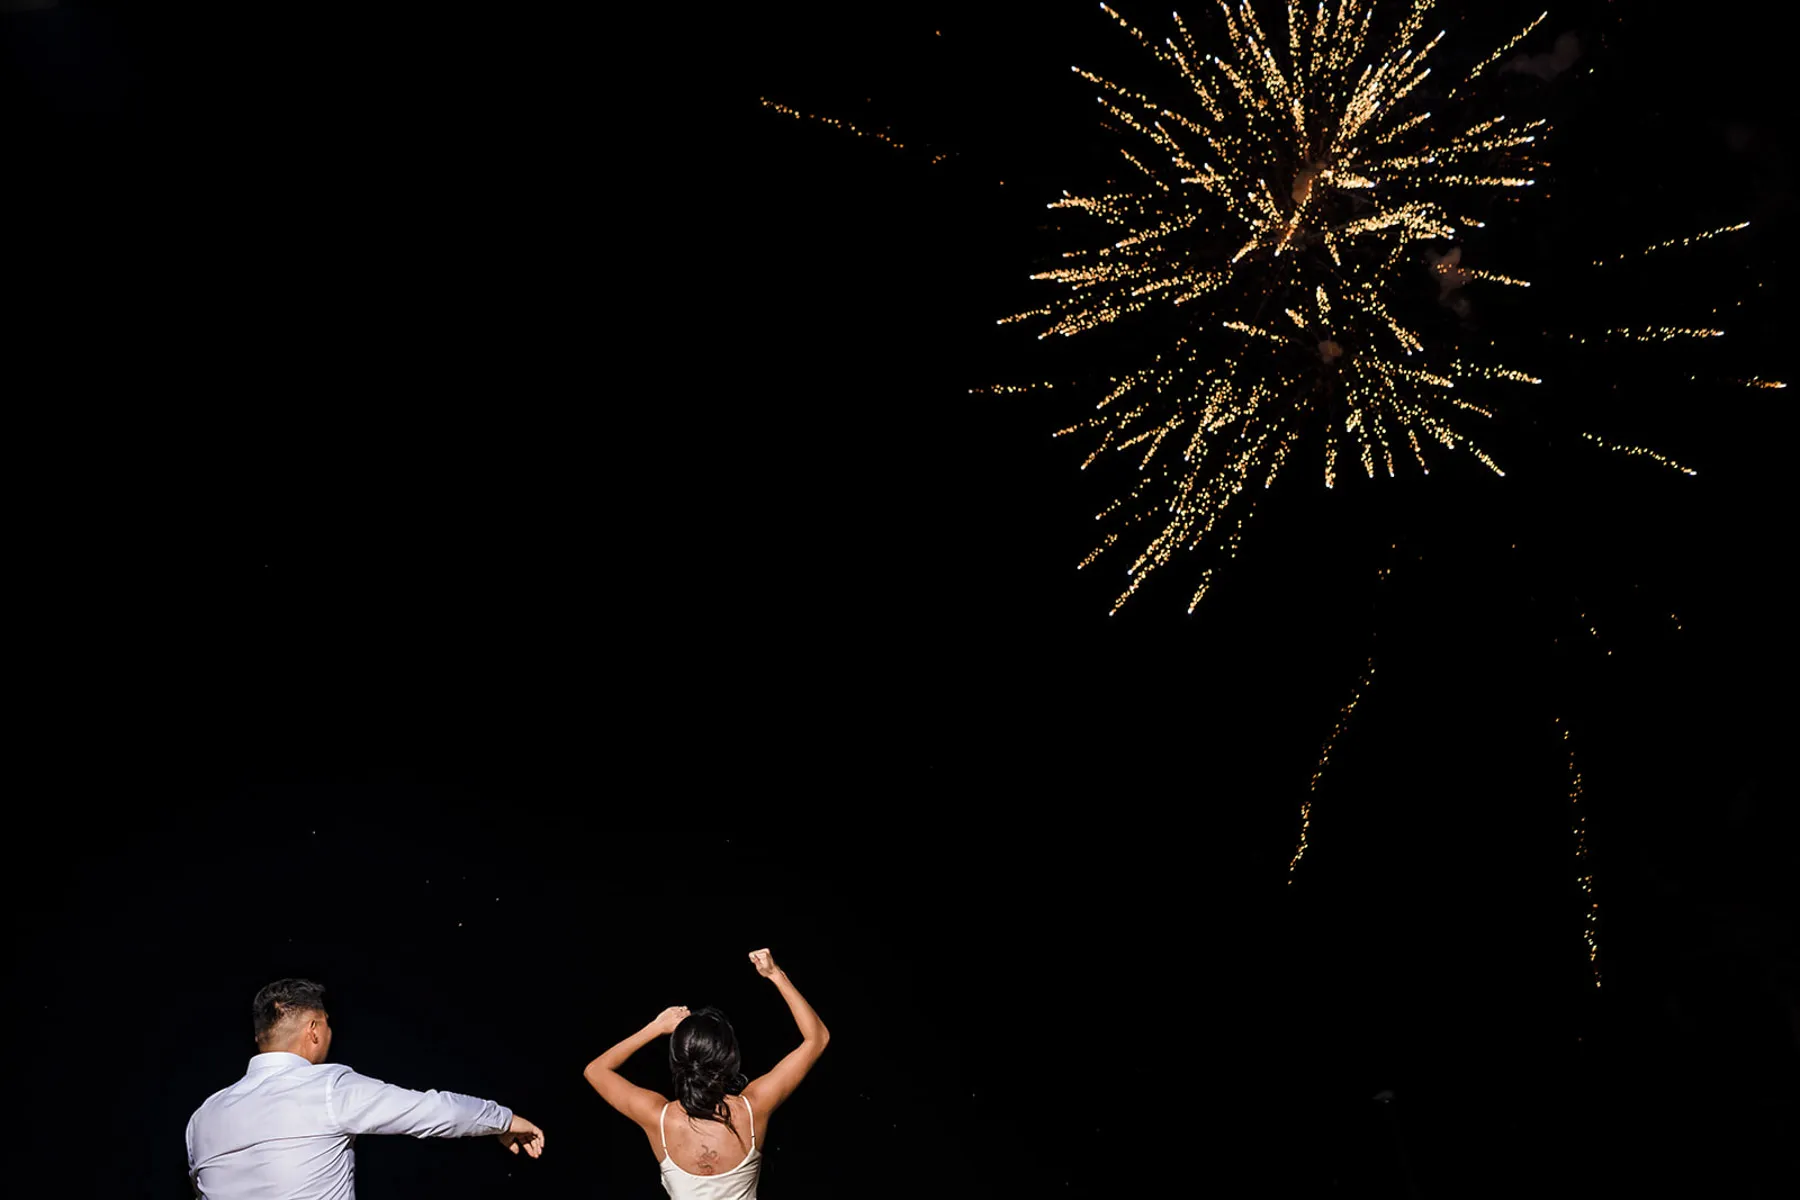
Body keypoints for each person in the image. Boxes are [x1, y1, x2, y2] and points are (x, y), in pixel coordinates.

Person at [185, 978, 544, 1198]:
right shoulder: (326, 1087)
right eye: (325, 1025)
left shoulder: (203, 1116)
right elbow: (437, 1112)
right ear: (312, 1030)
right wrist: (506, 1120)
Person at [583, 947, 829, 1197]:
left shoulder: (658, 1117)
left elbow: (596, 1070)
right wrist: (775, 974)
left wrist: (655, 1028)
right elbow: (817, 1039)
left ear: (677, 1059)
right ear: (730, 1057)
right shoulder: (753, 1109)